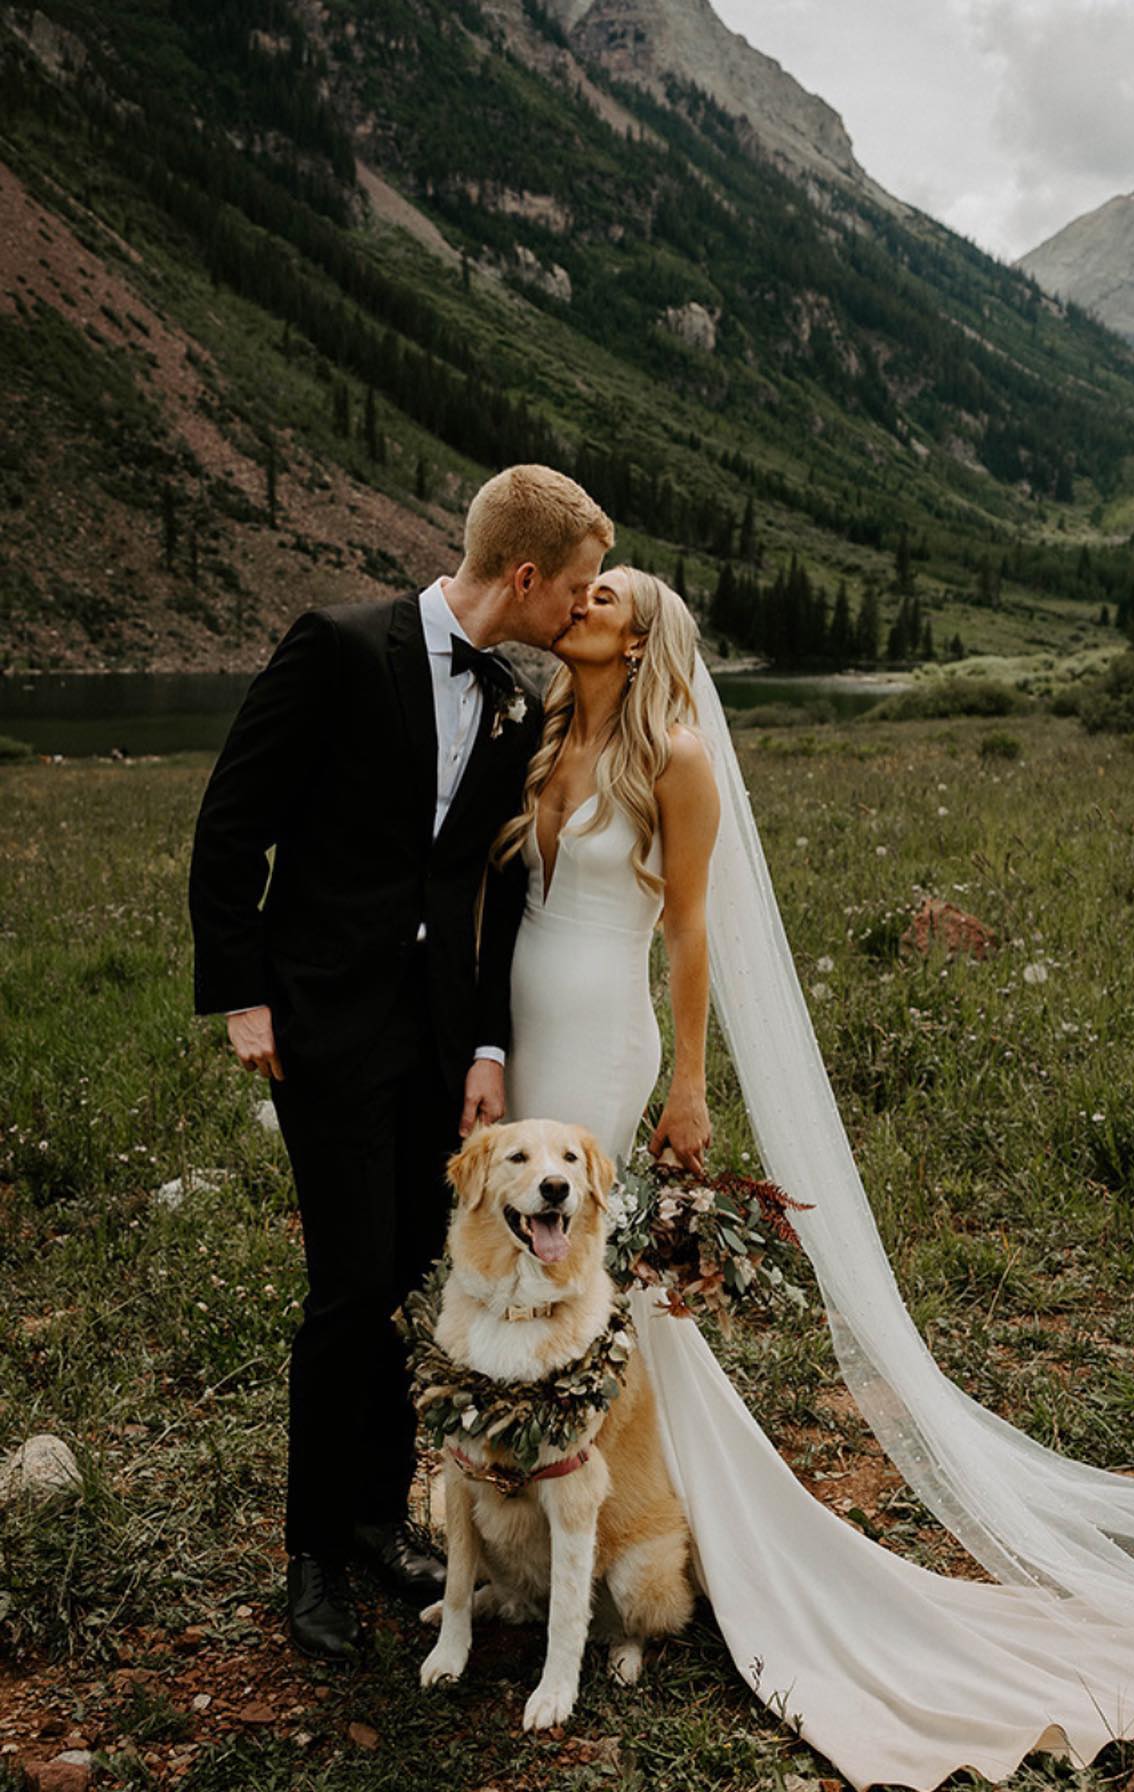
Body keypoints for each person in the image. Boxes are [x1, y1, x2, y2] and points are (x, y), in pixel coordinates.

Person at [495, 566, 1134, 1792]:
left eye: (607, 592)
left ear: (648, 632)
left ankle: (652, 1526)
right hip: (521, 1028)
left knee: (599, 1290)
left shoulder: (674, 753)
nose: (580, 599)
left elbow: (688, 932)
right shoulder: (552, 729)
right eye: (579, 586)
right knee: (538, 1275)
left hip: (607, 1043)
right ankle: (557, 1516)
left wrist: (687, 1082)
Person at [188, 464, 612, 1662]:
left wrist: (485, 1043)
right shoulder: (334, 646)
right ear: (524, 577)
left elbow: (482, 888)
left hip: (433, 1046)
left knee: (415, 1281)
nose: (578, 609)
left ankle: (381, 1513)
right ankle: (313, 1552)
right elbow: (233, 822)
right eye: (573, 589)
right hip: (321, 1024)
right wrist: (244, 994)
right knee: (346, 1289)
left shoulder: (519, 705)